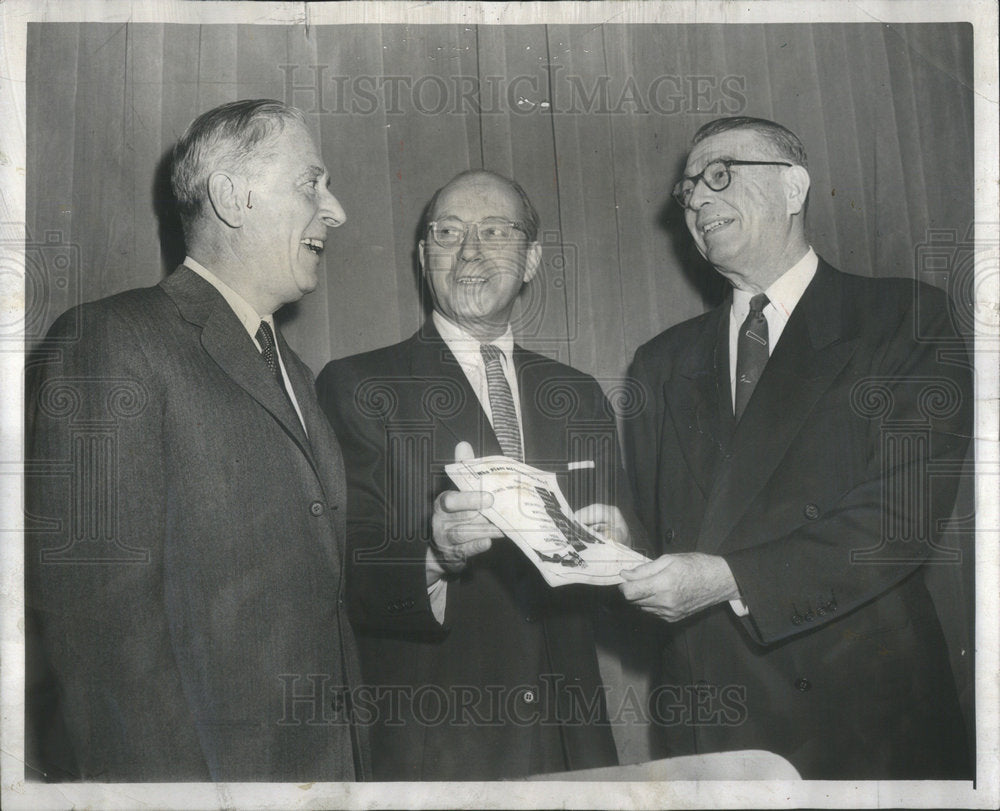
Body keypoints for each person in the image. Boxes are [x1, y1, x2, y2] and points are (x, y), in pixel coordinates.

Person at [25, 99, 369, 782]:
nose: (336, 211)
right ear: (232, 198)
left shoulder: (295, 373)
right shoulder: (111, 343)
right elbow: (102, 638)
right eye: (312, 183)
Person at [621, 116, 972, 780]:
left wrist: (730, 578)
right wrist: (610, 540)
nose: (696, 199)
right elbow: (655, 527)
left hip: (862, 721)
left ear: (793, 188)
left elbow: (898, 522)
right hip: (710, 720)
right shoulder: (659, 362)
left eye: (720, 174)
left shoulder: (903, 319)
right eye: (688, 188)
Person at [316, 170, 638, 780]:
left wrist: (618, 552)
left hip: (570, 739)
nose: (469, 251)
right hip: (441, 742)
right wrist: (434, 554)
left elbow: (622, 573)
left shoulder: (578, 394)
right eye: (448, 233)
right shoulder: (360, 385)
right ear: (423, 257)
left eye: (494, 231)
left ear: (532, 259)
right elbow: (337, 571)